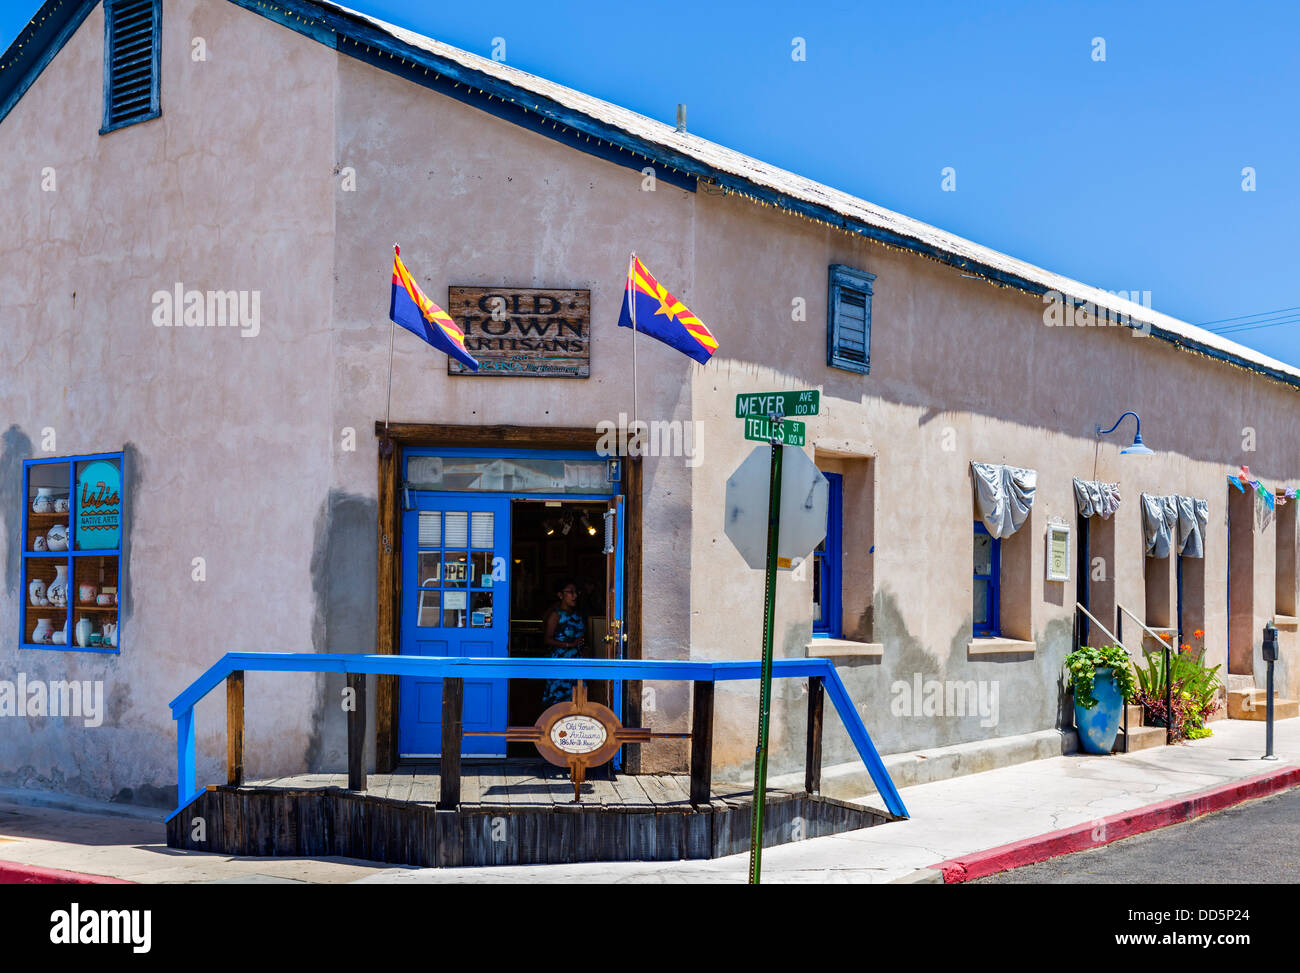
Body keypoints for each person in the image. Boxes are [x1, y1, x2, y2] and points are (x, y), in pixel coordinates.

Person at [541, 580, 585, 706]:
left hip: (577, 661)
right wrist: (569, 645)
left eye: (576, 592)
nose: (575, 595)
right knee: (558, 700)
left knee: (576, 697)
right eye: (570, 592)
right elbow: (547, 639)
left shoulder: (577, 615)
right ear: (560, 595)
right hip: (560, 661)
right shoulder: (556, 615)